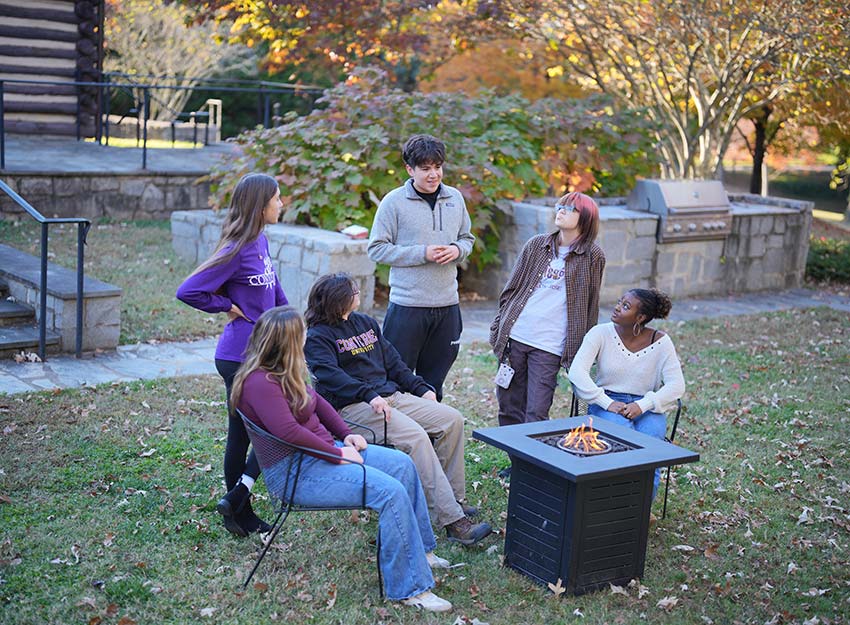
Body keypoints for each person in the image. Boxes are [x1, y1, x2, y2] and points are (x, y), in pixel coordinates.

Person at [233, 306, 453, 611]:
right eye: (300, 335)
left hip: (322, 453)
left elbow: (319, 402)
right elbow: (288, 432)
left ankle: (421, 551)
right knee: (390, 493)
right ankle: (410, 588)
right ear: (284, 341)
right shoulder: (260, 383)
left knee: (402, 465)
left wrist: (345, 433)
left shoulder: (283, 369)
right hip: (297, 473)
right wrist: (338, 454)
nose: (304, 340)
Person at [304, 273, 492, 546]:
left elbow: (394, 362)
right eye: (353, 290)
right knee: (415, 436)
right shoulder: (318, 337)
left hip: (391, 397)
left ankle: (453, 499)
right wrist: (368, 395)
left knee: (451, 419)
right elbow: (333, 378)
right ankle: (453, 522)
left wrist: (421, 388)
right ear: (338, 299)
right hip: (353, 408)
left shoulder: (365, 323)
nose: (358, 293)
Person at [176, 173, 287, 537]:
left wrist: (292, 319)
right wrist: (227, 304)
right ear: (260, 205)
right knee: (262, 431)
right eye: (277, 198)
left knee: (247, 432)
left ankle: (236, 507)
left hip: (263, 353)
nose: (281, 203)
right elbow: (188, 290)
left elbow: (273, 287)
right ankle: (239, 505)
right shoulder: (236, 249)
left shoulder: (261, 241)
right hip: (239, 357)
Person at [367, 134, 475, 401]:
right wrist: (422, 253)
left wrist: (457, 250)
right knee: (397, 382)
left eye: (437, 167)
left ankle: (432, 439)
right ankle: (400, 439)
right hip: (407, 306)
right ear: (409, 169)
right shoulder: (393, 202)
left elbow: (467, 239)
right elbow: (376, 248)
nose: (433, 174)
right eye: (425, 168)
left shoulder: (455, 198)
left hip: (447, 306)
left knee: (434, 384)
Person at [489, 192, 606, 431]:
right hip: (516, 337)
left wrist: (585, 348)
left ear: (585, 217)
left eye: (569, 208)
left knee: (536, 411)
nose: (560, 210)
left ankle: (530, 466)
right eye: (559, 206)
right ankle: (514, 464)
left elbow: (590, 305)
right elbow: (511, 290)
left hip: (549, 345)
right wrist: (498, 328)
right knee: (509, 407)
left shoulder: (593, 256)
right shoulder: (536, 245)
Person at [567, 288, 685, 498]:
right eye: (620, 302)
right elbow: (577, 372)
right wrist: (606, 402)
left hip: (646, 406)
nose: (617, 307)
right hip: (607, 403)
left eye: (625, 306)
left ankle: (641, 509)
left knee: (651, 447)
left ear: (640, 318)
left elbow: (677, 385)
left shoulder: (661, 342)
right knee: (623, 440)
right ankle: (612, 503)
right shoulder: (600, 333)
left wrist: (643, 405)